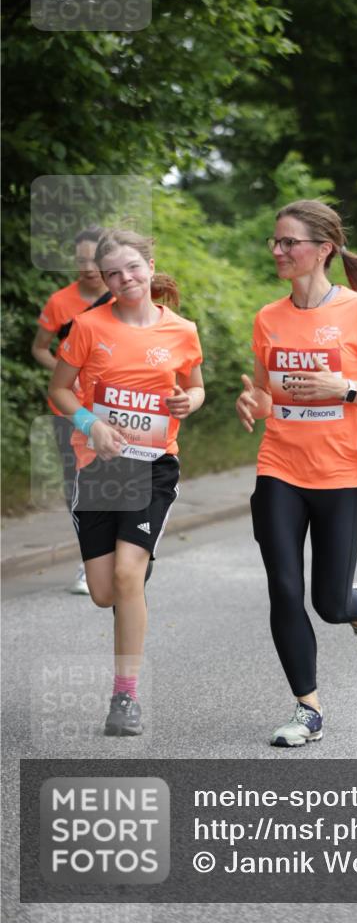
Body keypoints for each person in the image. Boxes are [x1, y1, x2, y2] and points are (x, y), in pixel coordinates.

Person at [236, 199, 357, 747]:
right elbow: (266, 393)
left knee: (328, 602)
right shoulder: (268, 318)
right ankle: (308, 709)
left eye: (288, 242)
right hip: (280, 466)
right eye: (275, 242)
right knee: (283, 589)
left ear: (322, 250)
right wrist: (250, 403)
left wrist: (341, 389)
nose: (278, 250)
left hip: (342, 471)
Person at [49, 229, 204, 736]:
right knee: (101, 592)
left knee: (125, 577)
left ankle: (125, 698)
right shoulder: (88, 327)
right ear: (104, 280)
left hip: (153, 465)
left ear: (151, 266)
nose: (125, 279)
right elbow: (61, 390)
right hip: (99, 466)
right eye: (114, 273)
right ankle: (130, 580)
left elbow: (195, 386)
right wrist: (90, 423)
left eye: (133, 268)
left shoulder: (182, 330)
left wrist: (189, 401)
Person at [32, 226, 110, 594]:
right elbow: (40, 349)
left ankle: (118, 555)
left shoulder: (120, 298)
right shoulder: (60, 302)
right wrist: (68, 377)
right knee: (77, 484)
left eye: (95, 260)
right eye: (81, 261)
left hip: (113, 409)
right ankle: (88, 561)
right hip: (68, 409)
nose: (88, 268)